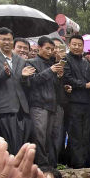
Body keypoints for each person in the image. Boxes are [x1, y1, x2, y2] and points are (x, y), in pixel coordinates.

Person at [0, 28, 31, 155]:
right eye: (3, 39)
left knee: (22, 143)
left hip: (22, 107)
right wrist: (4, 73)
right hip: (5, 106)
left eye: (9, 39)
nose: (7, 42)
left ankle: (19, 165)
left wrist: (25, 77)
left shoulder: (20, 60)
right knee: (8, 143)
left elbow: (27, 85)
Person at [23, 36, 65, 167]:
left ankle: (49, 164)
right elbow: (32, 81)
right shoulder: (31, 62)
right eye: (47, 48)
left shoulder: (52, 63)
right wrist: (50, 71)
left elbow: (55, 86)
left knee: (50, 136)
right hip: (38, 104)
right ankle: (41, 164)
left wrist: (59, 76)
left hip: (52, 104)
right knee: (39, 135)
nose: (50, 51)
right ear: (39, 47)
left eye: (52, 49)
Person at [63, 34, 90, 167]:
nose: (77, 47)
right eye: (74, 44)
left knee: (85, 134)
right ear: (69, 45)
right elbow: (67, 78)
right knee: (75, 134)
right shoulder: (65, 60)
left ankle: (82, 162)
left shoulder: (85, 62)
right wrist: (85, 85)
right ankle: (75, 164)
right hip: (74, 102)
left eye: (80, 45)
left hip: (87, 103)